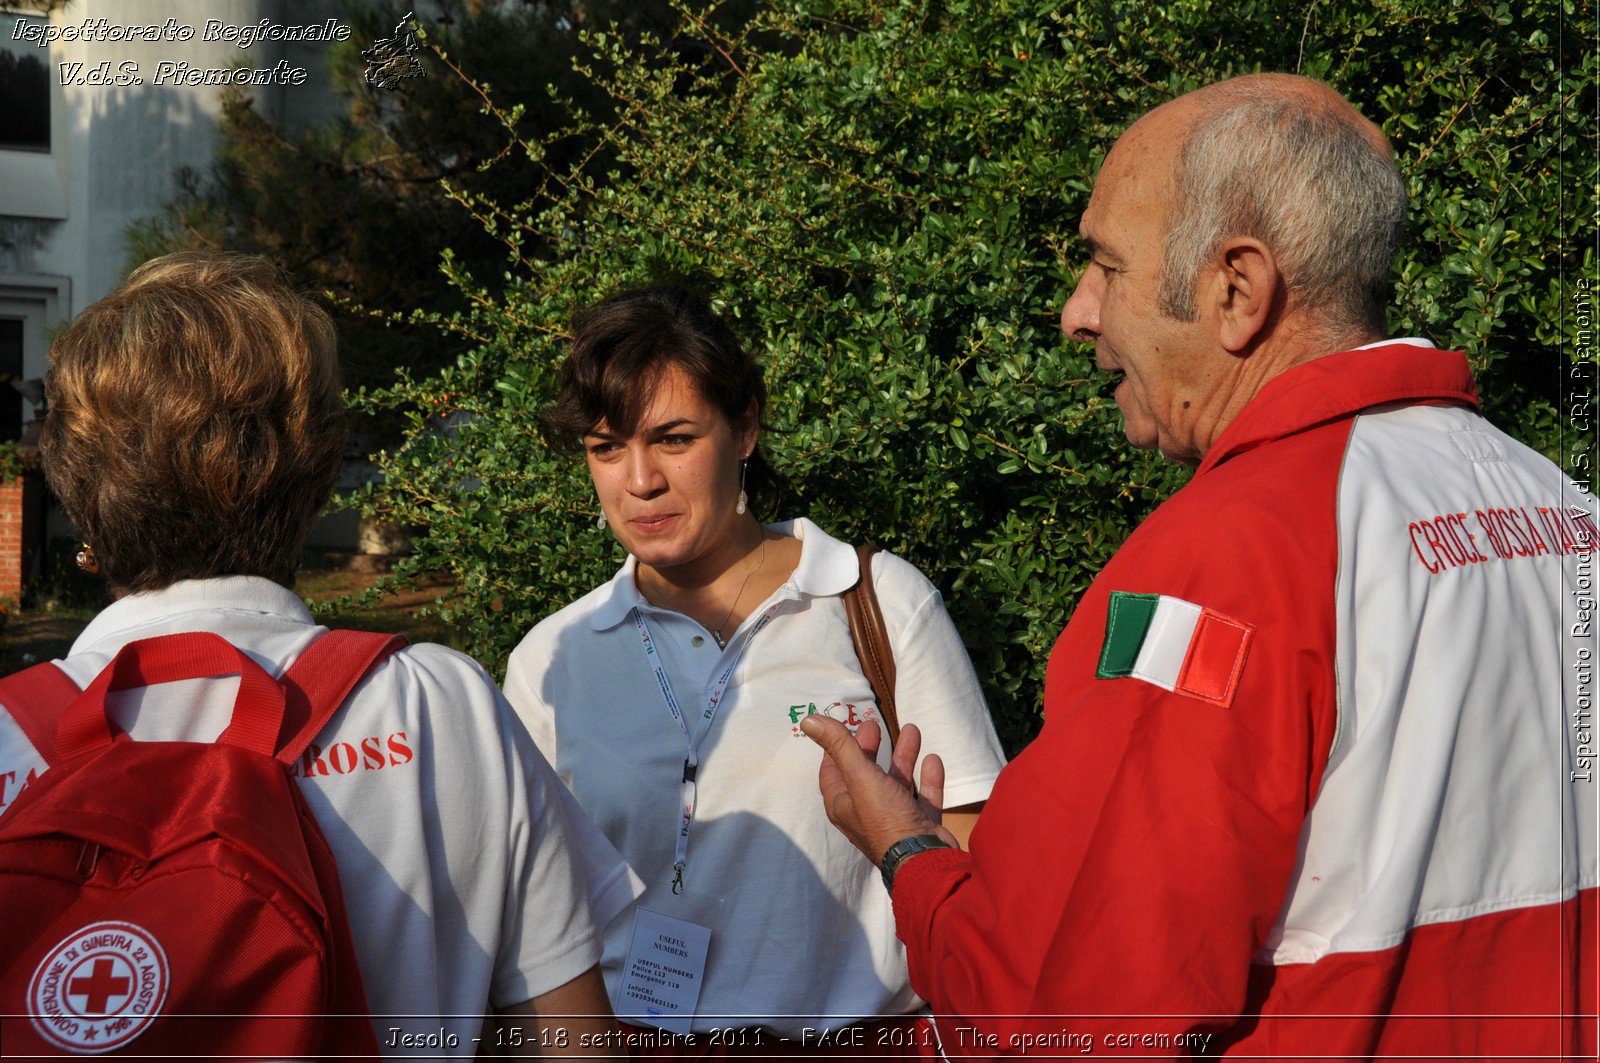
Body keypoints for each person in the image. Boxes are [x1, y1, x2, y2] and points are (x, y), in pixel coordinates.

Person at [803, 73, 1598, 1059]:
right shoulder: (1562, 508)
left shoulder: (1225, 560)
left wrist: (909, 850)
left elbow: (1067, 1014)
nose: (1076, 312)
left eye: (1105, 265)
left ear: (1236, 290)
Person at [0, 251, 634, 1055]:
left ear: (79, 496)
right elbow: (571, 1042)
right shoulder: (437, 705)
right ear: (318, 471)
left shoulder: (9, 739)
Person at [502, 285, 1007, 1053]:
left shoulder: (874, 601)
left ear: (745, 428)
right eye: (607, 447)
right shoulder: (552, 660)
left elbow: (979, 869)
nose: (639, 481)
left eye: (672, 438)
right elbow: (533, 926)